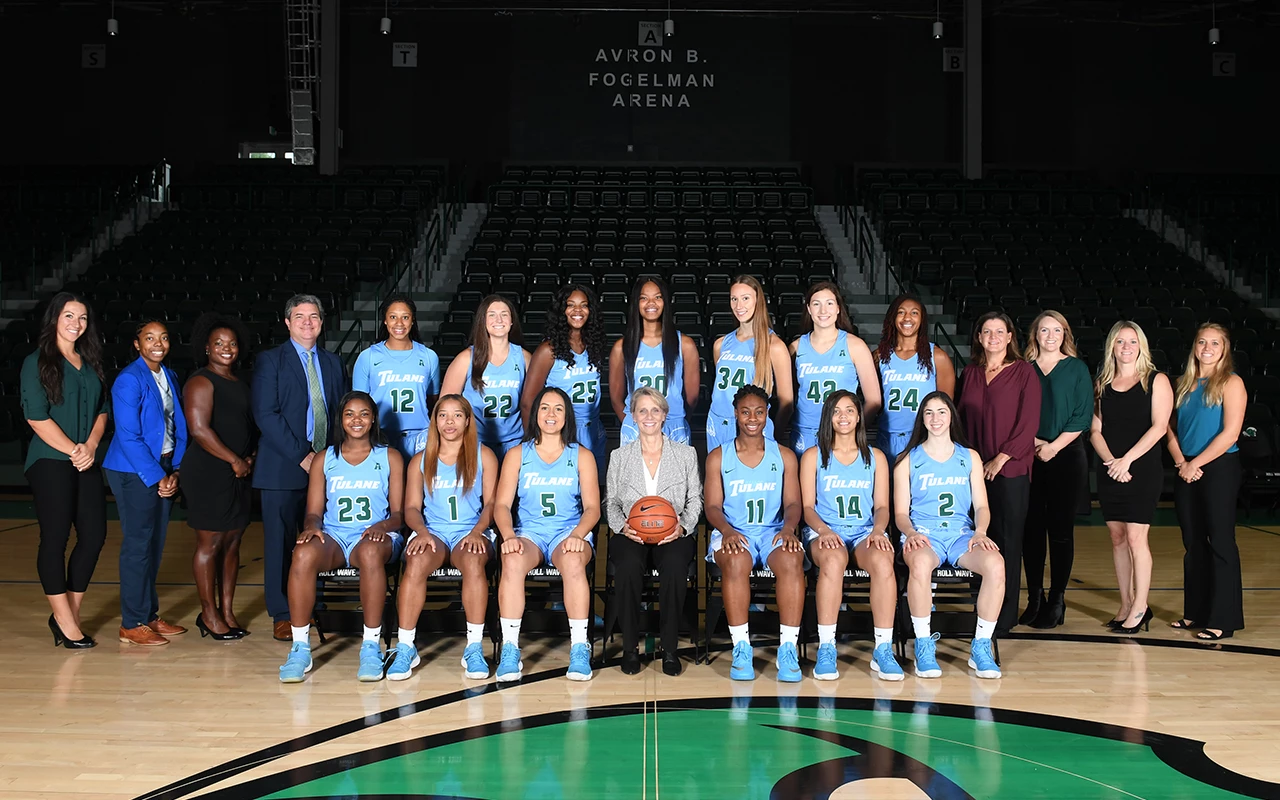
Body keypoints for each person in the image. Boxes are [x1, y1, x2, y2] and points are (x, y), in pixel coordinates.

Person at [278, 392, 405, 683]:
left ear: (373, 419)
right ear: (341, 419)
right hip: (334, 536)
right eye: (349, 414)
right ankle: (300, 647)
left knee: (371, 553)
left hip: (376, 537)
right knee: (303, 553)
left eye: (363, 414)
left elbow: (399, 515)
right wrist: (311, 527)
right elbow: (313, 512)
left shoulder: (389, 457)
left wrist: (383, 526)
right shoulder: (325, 458)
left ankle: (371, 646)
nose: (356, 420)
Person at [251, 294, 347, 642]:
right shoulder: (270, 361)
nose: (308, 322)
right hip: (282, 467)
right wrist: (303, 456)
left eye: (314, 316)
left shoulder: (334, 363)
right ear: (288, 322)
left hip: (326, 468)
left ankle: (314, 605)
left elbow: (339, 415)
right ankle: (283, 613)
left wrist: (334, 460)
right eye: (300, 316)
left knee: (319, 537)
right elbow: (266, 414)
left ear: (322, 323)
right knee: (279, 543)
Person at [388, 395, 500, 680]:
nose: (449, 422)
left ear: (467, 421)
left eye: (457, 415)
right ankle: (405, 646)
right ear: (434, 421)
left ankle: (474, 646)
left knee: (474, 562)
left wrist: (477, 531)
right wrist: (422, 533)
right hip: (434, 531)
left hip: (471, 531)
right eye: (443, 415)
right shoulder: (420, 460)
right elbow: (411, 508)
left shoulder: (483, 455)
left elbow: (492, 504)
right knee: (415, 560)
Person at [493, 386, 601, 682]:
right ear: (534, 413)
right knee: (512, 561)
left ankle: (580, 647)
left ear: (567, 416)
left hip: (568, 530)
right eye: (544, 408)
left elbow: (592, 508)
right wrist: (508, 536)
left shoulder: (581, 455)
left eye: (558, 409)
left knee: (573, 561)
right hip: (530, 533)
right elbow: (502, 505)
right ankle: (511, 649)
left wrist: (578, 534)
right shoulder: (518, 454)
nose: (550, 414)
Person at [894, 391, 1004, 679]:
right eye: (929, 412)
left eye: (941, 411)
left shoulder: (969, 457)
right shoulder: (908, 459)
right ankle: (923, 643)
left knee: (996, 564)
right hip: (924, 535)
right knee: (919, 563)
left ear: (951, 416)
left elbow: (981, 505)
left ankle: (981, 646)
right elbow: (901, 514)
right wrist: (910, 532)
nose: (935, 418)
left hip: (960, 535)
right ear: (922, 419)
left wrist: (980, 532)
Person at [22, 292, 109, 649]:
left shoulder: (89, 362)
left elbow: (103, 410)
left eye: (83, 318)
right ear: (54, 319)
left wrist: (89, 446)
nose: (76, 323)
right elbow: (35, 416)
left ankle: (66, 613)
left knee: (94, 536)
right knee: (55, 538)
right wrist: (74, 449)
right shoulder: (37, 361)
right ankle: (66, 620)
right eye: (69, 316)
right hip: (50, 460)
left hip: (85, 459)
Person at [705, 385, 804, 683]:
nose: (752, 418)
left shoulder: (784, 456)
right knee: (736, 563)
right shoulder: (718, 457)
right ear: (735, 414)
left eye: (759, 412)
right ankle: (742, 649)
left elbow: (793, 503)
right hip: (734, 531)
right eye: (746, 412)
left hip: (772, 531)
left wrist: (788, 529)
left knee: (790, 560)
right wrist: (726, 531)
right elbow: (711, 506)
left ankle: (788, 649)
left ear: (767, 414)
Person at [800, 390, 900, 681]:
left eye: (850, 410)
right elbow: (807, 507)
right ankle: (827, 647)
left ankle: (883, 649)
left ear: (859, 416)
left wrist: (879, 531)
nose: (843, 417)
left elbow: (882, 506)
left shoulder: (876, 457)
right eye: (836, 411)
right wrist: (824, 530)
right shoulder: (814, 455)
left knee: (884, 561)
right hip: (825, 529)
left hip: (864, 531)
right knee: (833, 560)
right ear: (828, 417)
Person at [605, 387, 702, 676]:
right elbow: (610, 502)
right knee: (628, 566)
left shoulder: (686, 454)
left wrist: (683, 526)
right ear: (632, 416)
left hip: (673, 532)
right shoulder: (619, 457)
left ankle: (670, 649)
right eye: (642, 410)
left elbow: (695, 499)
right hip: (630, 532)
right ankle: (630, 647)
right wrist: (622, 526)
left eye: (655, 410)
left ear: (664, 415)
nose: (649, 416)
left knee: (674, 566)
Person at [103, 320, 189, 646]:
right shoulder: (129, 379)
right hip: (132, 470)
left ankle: (149, 615)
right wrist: (159, 476)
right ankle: (131, 622)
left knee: (154, 544)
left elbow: (177, 426)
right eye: (149, 338)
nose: (158, 343)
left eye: (164, 337)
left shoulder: (170, 375)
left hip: (164, 466)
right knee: (138, 546)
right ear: (137, 344)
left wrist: (176, 469)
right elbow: (128, 437)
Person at [956, 311, 1041, 634]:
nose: (993, 337)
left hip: (1011, 471)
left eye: (999, 331)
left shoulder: (1023, 373)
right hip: (976, 473)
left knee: (1007, 542)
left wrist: (1000, 459)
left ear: (1009, 337)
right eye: (986, 331)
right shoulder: (971, 373)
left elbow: (1028, 424)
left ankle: (1003, 617)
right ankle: (980, 609)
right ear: (979, 337)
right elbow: (960, 421)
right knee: (978, 541)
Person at [1090, 321, 1172, 635]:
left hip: (1142, 470)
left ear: (1142, 346)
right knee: (1117, 538)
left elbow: (1159, 427)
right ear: (1112, 345)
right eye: (1120, 341)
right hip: (1111, 469)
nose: (1126, 347)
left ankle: (1141, 607)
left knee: (1138, 539)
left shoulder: (1156, 380)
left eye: (1133, 341)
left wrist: (1127, 461)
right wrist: (1112, 461)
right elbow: (1095, 431)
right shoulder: (1102, 383)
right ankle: (1125, 603)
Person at [1167, 323, 1246, 641]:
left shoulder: (1231, 382)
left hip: (1219, 468)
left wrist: (1195, 463)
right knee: (1193, 543)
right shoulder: (1183, 383)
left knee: (1221, 542)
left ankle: (1223, 619)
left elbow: (1230, 433)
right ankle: (1196, 613)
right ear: (1194, 346)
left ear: (1224, 349)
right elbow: (1168, 427)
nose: (1208, 347)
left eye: (1215, 342)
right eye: (1202, 341)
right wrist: (1181, 462)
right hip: (1186, 467)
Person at [182, 313, 257, 640]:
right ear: (207, 348)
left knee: (232, 543)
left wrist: (248, 457)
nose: (226, 349)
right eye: (218, 344)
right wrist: (234, 460)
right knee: (210, 544)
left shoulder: (239, 382)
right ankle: (208, 614)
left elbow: (246, 426)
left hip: (238, 472)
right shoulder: (201, 380)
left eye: (232, 344)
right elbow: (199, 430)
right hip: (209, 472)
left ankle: (227, 610)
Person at [1021, 311, 1092, 629]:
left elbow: (1082, 414)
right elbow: (1017, 412)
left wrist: (1053, 446)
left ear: (1066, 334)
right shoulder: (1023, 369)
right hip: (1029, 452)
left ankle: (1057, 600)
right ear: (1035, 334)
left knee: (1061, 532)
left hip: (1066, 454)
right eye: (1044, 330)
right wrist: (1035, 442)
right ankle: (1034, 598)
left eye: (1057, 330)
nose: (1051, 335)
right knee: (1031, 531)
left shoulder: (1076, 368)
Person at [521, 284, 609, 469]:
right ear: (562, 310)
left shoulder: (594, 346)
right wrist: (535, 438)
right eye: (571, 305)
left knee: (595, 491)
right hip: (563, 429)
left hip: (593, 430)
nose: (578, 310)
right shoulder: (548, 350)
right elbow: (528, 401)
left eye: (584, 305)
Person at [789, 281, 881, 456]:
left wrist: (853, 429)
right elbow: (788, 396)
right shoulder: (795, 348)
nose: (823, 311)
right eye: (816, 304)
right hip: (805, 433)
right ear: (809, 309)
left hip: (840, 434)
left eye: (829, 303)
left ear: (838, 308)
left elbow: (874, 400)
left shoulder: (855, 346)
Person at [609, 278, 701, 445]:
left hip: (673, 424)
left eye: (657, 297)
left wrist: (676, 418)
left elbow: (692, 397)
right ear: (636, 303)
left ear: (665, 301)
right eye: (644, 298)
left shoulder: (685, 344)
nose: (651, 303)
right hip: (637, 425)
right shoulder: (622, 347)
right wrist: (634, 422)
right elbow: (616, 398)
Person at [707, 276, 794, 452]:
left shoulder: (774, 346)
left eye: (745, 298)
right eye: (734, 299)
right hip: (717, 424)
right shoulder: (721, 344)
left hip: (753, 426)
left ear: (758, 300)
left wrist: (770, 433)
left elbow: (787, 402)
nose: (739, 306)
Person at [353, 293, 441, 463]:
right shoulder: (368, 357)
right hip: (381, 436)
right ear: (385, 320)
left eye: (405, 317)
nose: (399, 323)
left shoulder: (429, 357)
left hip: (420, 437)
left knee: (418, 488)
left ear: (413, 320)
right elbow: (359, 404)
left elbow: (433, 400)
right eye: (393, 317)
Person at [440, 295, 529, 461]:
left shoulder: (524, 358)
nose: (499, 319)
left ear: (511, 321)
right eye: (492, 314)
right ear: (483, 321)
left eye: (504, 314)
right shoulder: (466, 358)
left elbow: (533, 402)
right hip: (476, 443)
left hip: (515, 443)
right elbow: (446, 406)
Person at [875, 295, 956, 464]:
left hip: (922, 437)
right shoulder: (879, 356)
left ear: (922, 319)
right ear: (893, 317)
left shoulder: (938, 357)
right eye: (901, 312)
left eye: (914, 313)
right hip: (887, 437)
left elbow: (945, 407)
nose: (907, 318)